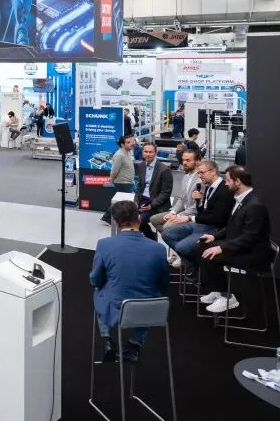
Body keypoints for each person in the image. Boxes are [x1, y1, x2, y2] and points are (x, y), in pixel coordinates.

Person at [90, 201, 170, 362]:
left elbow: (95, 279)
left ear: (115, 222)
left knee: (98, 290)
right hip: (152, 311)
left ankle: (107, 339)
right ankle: (135, 344)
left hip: (116, 309)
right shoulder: (159, 249)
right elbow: (164, 283)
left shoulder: (105, 245)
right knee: (147, 294)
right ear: (139, 218)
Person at [193, 166, 273, 314]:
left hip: (252, 254)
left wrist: (222, 247)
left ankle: (227, 296)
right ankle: (218, 290)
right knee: (201, 247)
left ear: (238, 182)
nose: (226, 183)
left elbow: (249, 238)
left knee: (212, 256)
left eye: (228, 180)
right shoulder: (241, 199)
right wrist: (215, 237)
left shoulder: (255, 205)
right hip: (240, 246)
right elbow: (231, 225)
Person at [162, 159, 234, 267]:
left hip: (213, 228)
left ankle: (196, 264)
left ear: (213, 171)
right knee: (167, 235)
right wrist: (198, 201)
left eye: (202, 173)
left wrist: (190, 218)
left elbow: (217, 218)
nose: (200, 176)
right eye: (198, 173)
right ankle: (194, 263)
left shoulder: (224, 190)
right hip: (201, 224)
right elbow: (203, 212)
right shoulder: (209, 187)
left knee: (181, 247)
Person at [149, 148, 200, 234]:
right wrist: (173, 212)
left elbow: (197, 206)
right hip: (182, 211)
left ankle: (172, 236)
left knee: (167, 227)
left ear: (197, 161)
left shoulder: (201, 179)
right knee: (154, 219)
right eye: (183, 160)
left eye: (188, 160)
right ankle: (172, 236)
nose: (184, 163)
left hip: (192, 214)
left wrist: (178, 215)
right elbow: (181, 198)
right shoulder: (186, 177)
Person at [133, 142, 172, 240]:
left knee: (138, 221)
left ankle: (151, 239)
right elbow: (139, 186)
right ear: (142, 152)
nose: (148, 154)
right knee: (129, 219)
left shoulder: (165, 170)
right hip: (142, 200)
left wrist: (151, 205)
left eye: (151, 152)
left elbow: (166, 192)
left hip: (157, 204)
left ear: (155, 153)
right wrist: (136, 202)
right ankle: (150, 236)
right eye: (145, 151)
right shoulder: (141, 165)